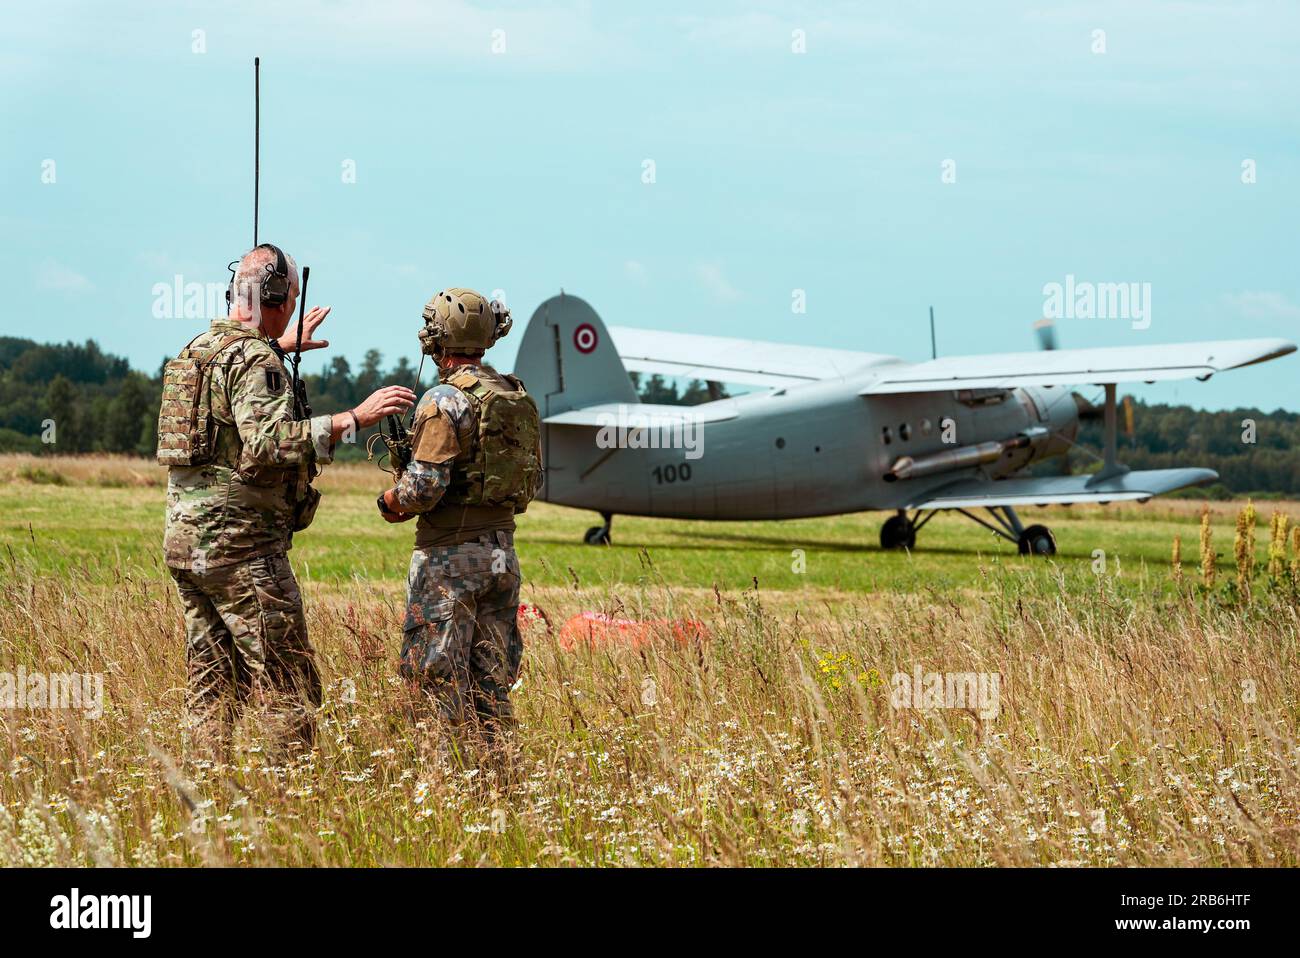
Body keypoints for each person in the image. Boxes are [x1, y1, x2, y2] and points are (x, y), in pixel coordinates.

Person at [158, 243, 415, 764]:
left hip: (189, 546)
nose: (294, 308)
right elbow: (268, 443)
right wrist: (353, 419)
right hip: (242, 549)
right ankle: (289, 805)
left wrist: (277, 344)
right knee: (289, 685)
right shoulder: (255, 360)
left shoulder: (197, 349)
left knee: (212, 687)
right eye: (291, 299)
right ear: (275, 298)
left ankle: (202, 800)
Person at [376, 288, 542, 752]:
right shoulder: (512, 394)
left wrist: (391, 500)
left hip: (449, 561)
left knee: (434, 688)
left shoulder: (444, 401)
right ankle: (498, 787)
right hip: (501, 557)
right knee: (492, 688)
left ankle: (441, 790)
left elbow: (424, 488)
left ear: (438, 338)